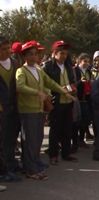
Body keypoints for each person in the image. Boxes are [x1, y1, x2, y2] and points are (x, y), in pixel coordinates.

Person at [16, 41, 74, 180]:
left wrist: (63, 92)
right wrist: (37, 92)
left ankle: (34, 164)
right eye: (30, 54)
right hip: (27, 110)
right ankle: (30, 169)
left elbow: (51, 83)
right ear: (24, 56)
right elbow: (20, 86)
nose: (34, 56)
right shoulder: (21, 71)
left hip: (39, 110)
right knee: (30, 140)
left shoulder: (38, 70)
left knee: (37, 139)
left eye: (35, 54)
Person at [43, 40, 77, 165]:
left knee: (68, 128)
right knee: (55, 130)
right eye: (61, 53)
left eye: (65, 53)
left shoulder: (68, 66)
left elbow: (72, 81)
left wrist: (73, 87)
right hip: (56, 102)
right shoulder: (47, 66)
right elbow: (46, 85)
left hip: (68, 101)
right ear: (54, 53)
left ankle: (66, 153)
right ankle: (53, 155)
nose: (64, 56)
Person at [0, 36, 20, 182]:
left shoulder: (15, 63)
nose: (8, 52)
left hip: (14, 107)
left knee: (11, 138)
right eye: (3, 49)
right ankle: (3, 170)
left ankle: (11, 163)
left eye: (9, 48)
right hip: (1, 109)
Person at [74, 53, 94, 148]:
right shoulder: (74, 70)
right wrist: (79, 82)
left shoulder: (89, 71)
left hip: (86, 98)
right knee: (76, 121)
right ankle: (74, 141)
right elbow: (71, 84)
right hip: (76, 98)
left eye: (88, 61)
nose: (87, 63)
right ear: (79, 61)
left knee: (84, 121)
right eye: (84, 61)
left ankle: (81, 140)